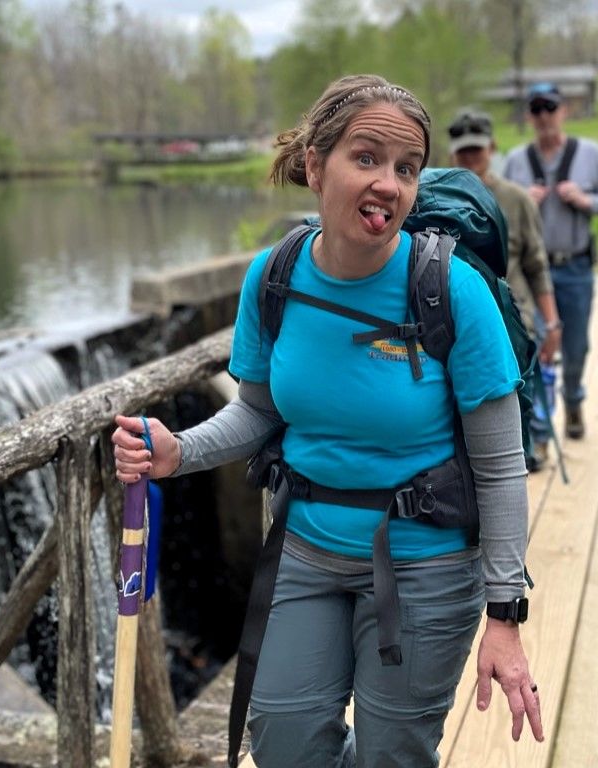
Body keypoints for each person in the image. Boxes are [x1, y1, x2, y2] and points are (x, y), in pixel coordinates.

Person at [112, 74, 543, 768]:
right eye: (366, 158)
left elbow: (499, 466)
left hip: (426, 566)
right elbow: (259, 411)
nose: (388, 184)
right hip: (304, 551)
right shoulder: (274, 277)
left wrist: (505, 614)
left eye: (407, 168)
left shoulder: (450, 290)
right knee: (283, 741)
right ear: (315, 165)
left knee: (391, 756)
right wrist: (177, 451)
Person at [503, 82, 598, 439]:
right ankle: (539, 430)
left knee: (575, 346)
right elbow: (497, 209)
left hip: (575, 267)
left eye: (550, 108)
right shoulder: (516, 161)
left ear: (564, 111)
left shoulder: (590, 154)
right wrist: (522, 201)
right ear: (529, 116)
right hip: (529, 273)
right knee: (535, 344)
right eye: (536, 110)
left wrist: (587, 201)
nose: (544, 116)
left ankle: (572, 399)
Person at [447, 108, 561, 469]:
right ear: (452, 153)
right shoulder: (436, 197)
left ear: (492, 148)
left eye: (477, 149)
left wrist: (551, 324)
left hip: (511, 322)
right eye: (463, 150)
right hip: (452, 323)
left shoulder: (516, 200)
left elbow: (536, 265)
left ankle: (526, 454)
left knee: (517, 406)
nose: (470, 157)